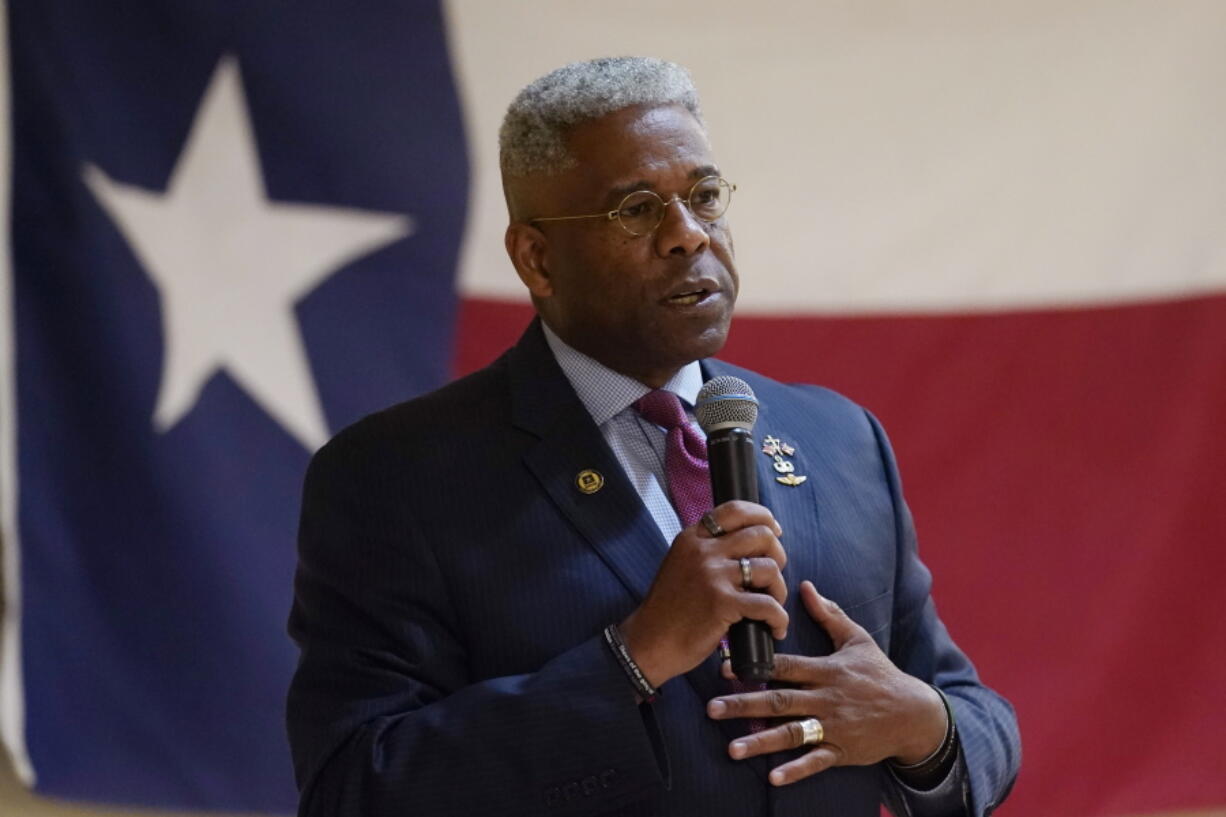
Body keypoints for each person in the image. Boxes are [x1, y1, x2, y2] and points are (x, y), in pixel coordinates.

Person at [286, 57, 1020, 816]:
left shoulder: (840, 439)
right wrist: (631, 659)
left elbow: (969, 706)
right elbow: (356, 786)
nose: (689, 234)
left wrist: (922, 727)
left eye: (704, 196)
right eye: (637, 210)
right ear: (536, 258)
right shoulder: (397, 476)